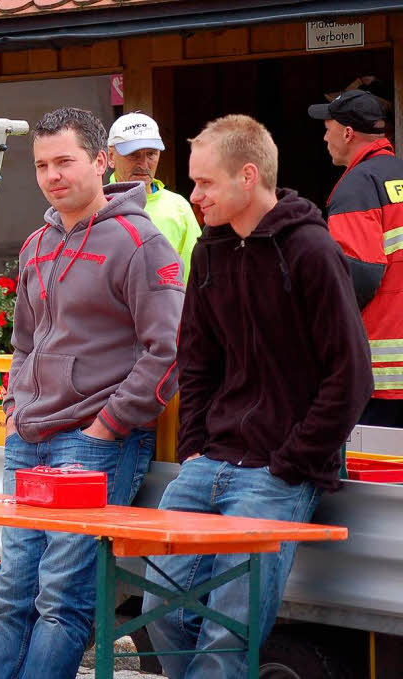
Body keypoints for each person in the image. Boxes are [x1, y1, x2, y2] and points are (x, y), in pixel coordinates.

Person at [143, 115, 372, 679]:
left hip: (277, 472)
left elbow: (352, 375)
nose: (193, 196)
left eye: (205, 183)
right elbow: (196, 360)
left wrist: (292, 461)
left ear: (249, 176)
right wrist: (195, 443)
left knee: (228, 631)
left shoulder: (311, 250)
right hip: (209, 462)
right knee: (159, 609)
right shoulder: (211, 253)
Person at [0, 108, 184, 679]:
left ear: (100, 161)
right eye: (42, 165)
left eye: (65, 161)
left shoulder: (141, 242)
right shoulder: (36, 245)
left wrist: (110, 424)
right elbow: (22, 343)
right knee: (11, 595)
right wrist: (17, 406)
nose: (52, 175)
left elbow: (167, 349)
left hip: (93, 445)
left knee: (61, 601)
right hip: (30, 440)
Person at [309, 89, 403, 427]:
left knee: (377, 474)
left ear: (348, 133)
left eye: (328, 127)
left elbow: (356, 273)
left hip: (380, 370)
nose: (324, 136)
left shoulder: (357, 186)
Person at [108, 111, 200, 281]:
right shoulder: (95, 206)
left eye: (151, 154)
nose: (143, 164)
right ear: (111, 156)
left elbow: (195, 276)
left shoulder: (178, 207)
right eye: (133, 154)